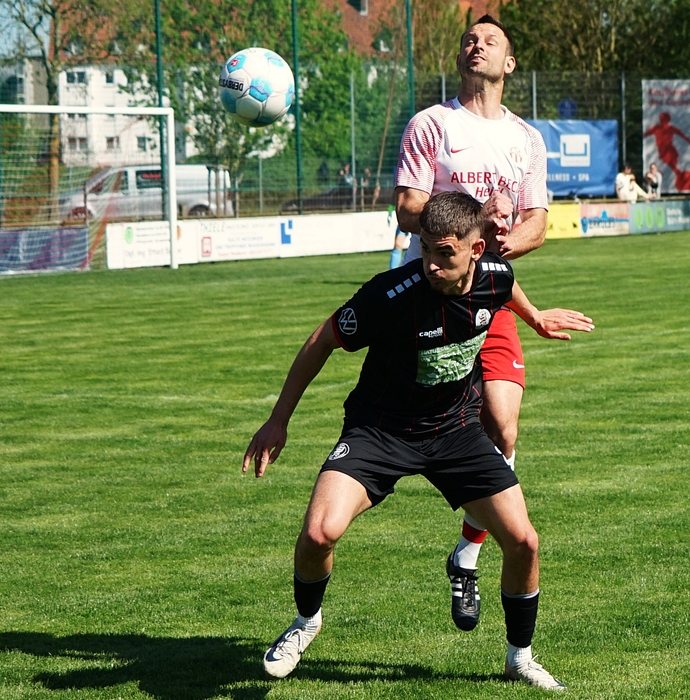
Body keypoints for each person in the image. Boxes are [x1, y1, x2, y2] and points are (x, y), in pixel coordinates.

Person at [244, 192, 594, 690]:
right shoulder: (389, 296)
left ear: (476, 251)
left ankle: (519, 658)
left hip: (456, 432)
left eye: (444, 253)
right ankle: (306, 622)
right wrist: (278, 420)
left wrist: (534, 317)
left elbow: (506, 285)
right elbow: (322, 339)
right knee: (319, 532)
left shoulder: (495, 275)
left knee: (523, 542)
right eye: (425, 248)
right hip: (379, 431)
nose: (430, 263)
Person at [393, 14, 552, 634]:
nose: (475, 44)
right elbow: (408, 208)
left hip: (491, 294)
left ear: (508, 64)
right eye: (469, 39)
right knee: (406, 431)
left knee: (502, 426)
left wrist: (510, 241)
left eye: (489, 40)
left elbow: (538, 222)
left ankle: (466, 553)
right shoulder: (433, 125)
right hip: (430, 298)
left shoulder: (526, 139)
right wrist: (473, 221)